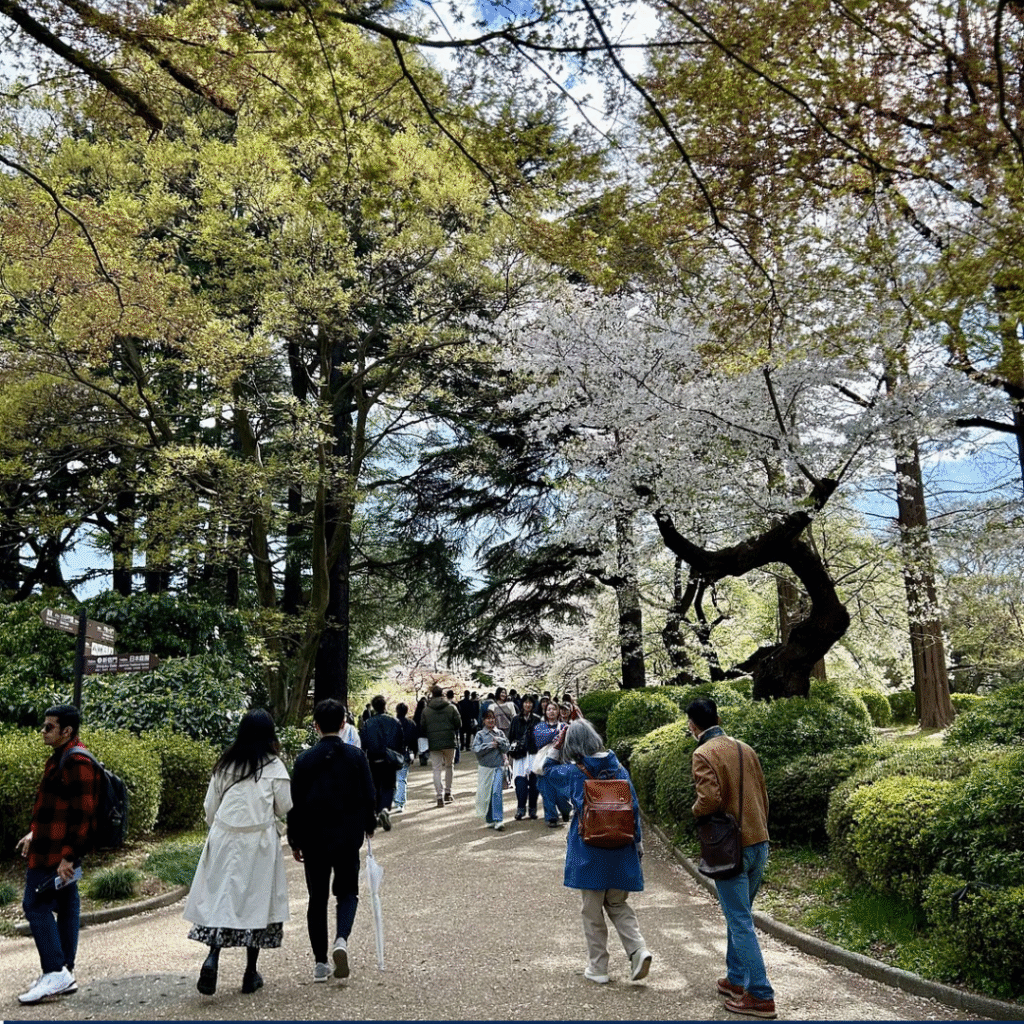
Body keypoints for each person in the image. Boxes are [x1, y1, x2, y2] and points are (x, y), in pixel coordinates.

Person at [183, 709, 292, 997]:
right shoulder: (274, 767)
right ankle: (249, 972)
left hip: (224, 838)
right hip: (258, 843)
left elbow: (210, 808)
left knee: (222, 898)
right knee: (256, 903)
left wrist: (221, 828)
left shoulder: (225, 764)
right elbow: (284, 807)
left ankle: (212, 958)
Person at [537, 718, 652, 985]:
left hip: (588, 848)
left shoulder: (575, 772)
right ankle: (638, 950)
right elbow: (633, 808)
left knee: (591, 912)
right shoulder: (619, 768)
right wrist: (637, 842)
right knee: (618, 903)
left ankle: (598, 967)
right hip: (621, 846)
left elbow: (544, 769)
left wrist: (557, 744)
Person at [686, 698, 775, 1019]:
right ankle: (736, 979)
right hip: (759, 840)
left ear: (693, 726)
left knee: (739, 920)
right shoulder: (745, 748)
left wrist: (695, 812)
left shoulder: (703, 753)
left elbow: (708, 800)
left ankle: (761, 994)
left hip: (730, 848)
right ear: (718, 718)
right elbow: (763, 794)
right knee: (740, 915)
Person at [16, 704, 102, 1005]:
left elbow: (84, 815)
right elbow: (56, 808)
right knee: (67, 904)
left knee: (35, 904)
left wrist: (69, 858)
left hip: (57, 854)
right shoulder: (62, 757)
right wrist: (34, 833)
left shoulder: (77, 761)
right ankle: (64, 972)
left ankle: (55, 970)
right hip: (50, 846)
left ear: (67, 731)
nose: (43, 731)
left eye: (49, 727)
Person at [288, 698, 377, 983]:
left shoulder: (304, 761)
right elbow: (368, 795)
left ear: (315, 725)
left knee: (317, 899)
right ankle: (341, 939)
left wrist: (294, 839)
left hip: (314, 838)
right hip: (347, 836)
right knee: (347, 891)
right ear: (343, 724)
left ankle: (320, 963)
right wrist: (369, 825)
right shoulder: (355, 756)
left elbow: (295, 804)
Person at [359, 694, 404, 831]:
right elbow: (400, 741)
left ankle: (378, 812)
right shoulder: (394, 721)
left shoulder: (368, 723)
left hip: (373, 758)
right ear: (385, 706)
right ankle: (385, 809)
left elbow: (363, 742)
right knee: (389, 786)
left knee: (376, 786)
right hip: (390, 758)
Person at [420, 684, 462, 806]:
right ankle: (448, 793)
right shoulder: (451, 707)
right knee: (449, 766)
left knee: (436, 769)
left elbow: (422, 727)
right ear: (442, 694)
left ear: (432, 695)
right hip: (449, 740)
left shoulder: (426, 710)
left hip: (434, 742)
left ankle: (439, 797)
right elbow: (458, 723)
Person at [533, 700, 572, 826]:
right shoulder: (540, 726)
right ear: (545, 712)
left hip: (560, 761)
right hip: (544, 762)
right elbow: (539, 739)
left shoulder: (565, 726)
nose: (551, 711)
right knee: (546, 790)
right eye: (549, 709)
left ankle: (566, 810)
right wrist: (557, 733)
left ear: (558, 711)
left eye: (554, 709)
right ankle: (551, 817)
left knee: (561, 792)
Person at [471, 708, 509, 830]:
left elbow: (507, 748)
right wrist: (489, 746)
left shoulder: (500, 733)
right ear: (483, 720)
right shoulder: (480, 735)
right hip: (485, 769)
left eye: (492, 718)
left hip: (498, 767)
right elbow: (476, 750)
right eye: (488, 718)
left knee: (496, 792)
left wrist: (500, 743)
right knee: (485, 793)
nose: (491, 720)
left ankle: (499, 819)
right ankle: (490, 819)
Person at [506, 695, 540, 820]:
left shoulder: (537, 719)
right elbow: (510, 737)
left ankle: (532, 809)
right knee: (520, 782)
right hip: (519, 755)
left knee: (534, 782)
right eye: (526, 702)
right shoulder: (515, 719)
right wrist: (509, 755)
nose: (528, 705)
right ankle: (520, 808)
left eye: (530, 702)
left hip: (533, 753)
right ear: (522, 704)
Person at [393, 702, 418, 812]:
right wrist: (414, 753)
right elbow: (414, 741)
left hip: (392, 754)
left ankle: (395, 799)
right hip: (405, 752)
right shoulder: (411, 723)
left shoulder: (391, 723)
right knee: (402, 779)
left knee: (393, 779)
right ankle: (400, 803)